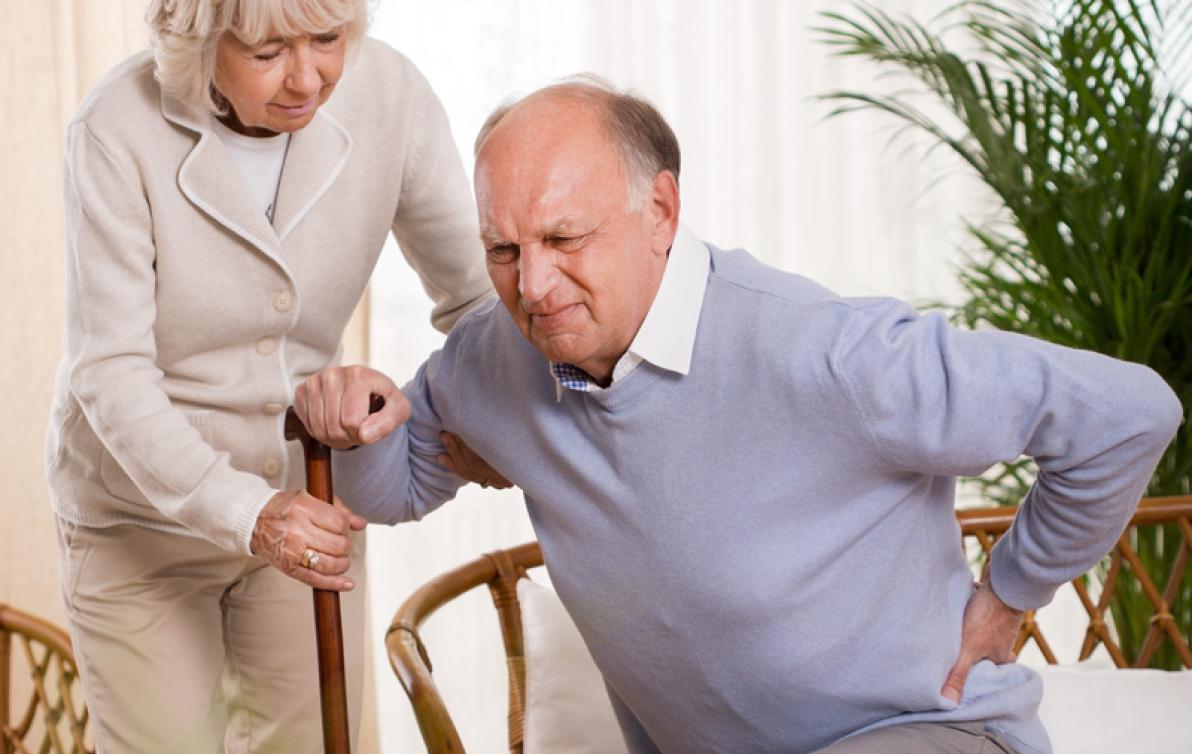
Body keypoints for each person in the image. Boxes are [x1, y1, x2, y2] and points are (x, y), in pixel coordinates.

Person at [293, 79, 1183, 754]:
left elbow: (1125, 413)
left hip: (923, 733)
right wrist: (356, 424)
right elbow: (396, 486)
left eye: (565, 240)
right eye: (503, 249)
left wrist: (1014, 589)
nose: (532, 286)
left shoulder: (828, 353)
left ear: (662, 213)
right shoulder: (500, 353)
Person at [44, 0, 495, 751]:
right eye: (267, 51)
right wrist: (251, 515)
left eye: (327, 37)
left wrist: (497, 429)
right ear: (197, 39)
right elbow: (111, 371)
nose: (307, 76)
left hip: (305, 490)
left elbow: (477, 296)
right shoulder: (115, 130)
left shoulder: (393, 97)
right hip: (137, 518)